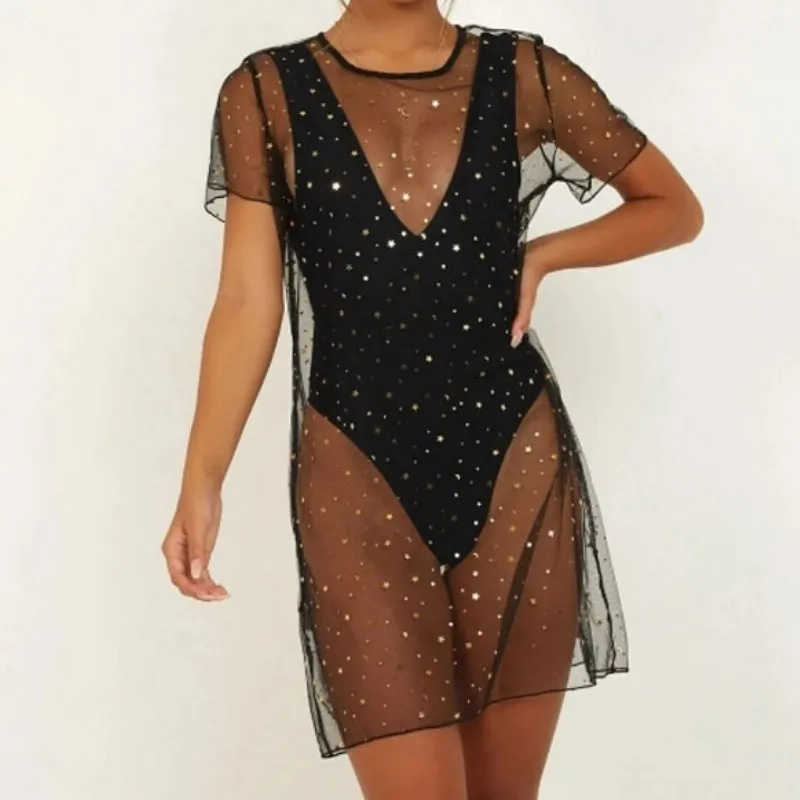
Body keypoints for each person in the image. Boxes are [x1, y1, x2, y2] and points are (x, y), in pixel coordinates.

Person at [161, 1, 704, 797]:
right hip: (355, 478)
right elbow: (247, 299)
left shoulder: (526, 74)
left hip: (517, 465)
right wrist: (201, 479)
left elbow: (674, 208)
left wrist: (543, 254)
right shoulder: (267, 92)